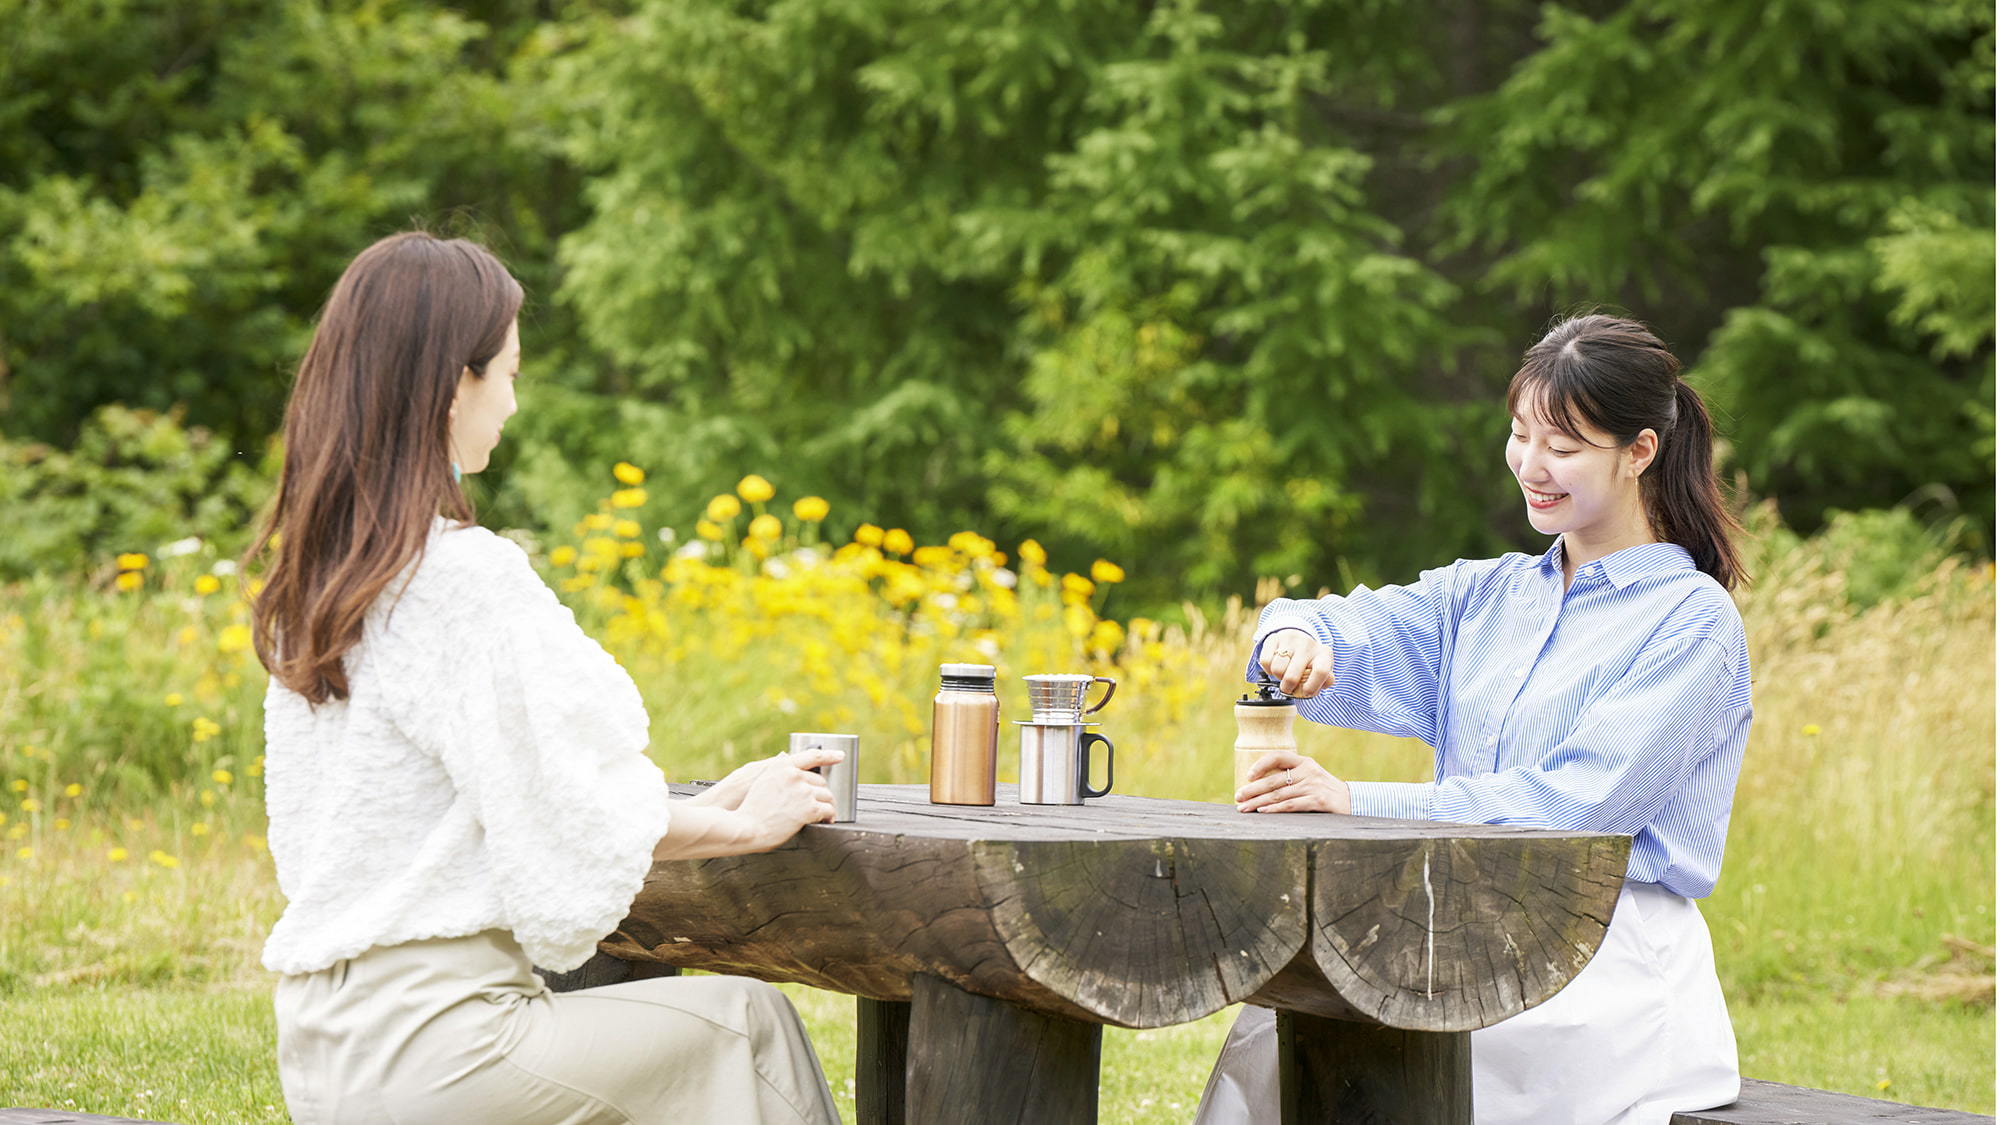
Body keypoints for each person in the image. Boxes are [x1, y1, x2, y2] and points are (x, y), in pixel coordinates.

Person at [250, 231, 843, 1125]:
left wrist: (713, 805)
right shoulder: (460, 578)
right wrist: (743, 826)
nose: (515, 405)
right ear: (457, 383)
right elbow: (568, 809)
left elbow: (498, 809)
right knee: (746, 1025)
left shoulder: (323, 587)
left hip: (326, 1045)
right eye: (511, 375)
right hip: (440, 1047)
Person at [1195, 314, 1751, 1124]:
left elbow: (1577, 808)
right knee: (1285, 1030)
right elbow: (1345, 626)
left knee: (1397, 1060)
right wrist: (1294, 639)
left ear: (1640, 451)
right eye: (1520, 435)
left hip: (1596, 961)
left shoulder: (1692, 622)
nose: (1531, 465)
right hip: (1447, 921)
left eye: (1563, 447)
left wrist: (1358, 800)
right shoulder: (1484, 596)